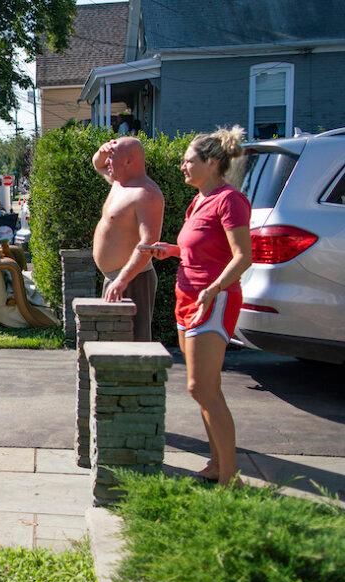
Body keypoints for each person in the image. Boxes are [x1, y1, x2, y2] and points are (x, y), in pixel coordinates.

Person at [139, 126, 252, 485]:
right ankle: (217, 464)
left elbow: (243, 257)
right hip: (187, 299)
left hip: (213, 300)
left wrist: (214, 288)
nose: (182, 166)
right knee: (207, 389)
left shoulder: (230, 200)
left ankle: (230, 478)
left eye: (188, 161)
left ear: (212, 162)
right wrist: (171, 250)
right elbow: (199, 250)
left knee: (201, 388)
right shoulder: (199, 201)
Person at [93, 137, 164, 341]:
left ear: (128, 161)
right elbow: (97, 164)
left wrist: (122, 281)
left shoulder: (146, 194)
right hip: (116, 279)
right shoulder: (119, 182)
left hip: (133, 280)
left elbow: (149, 244)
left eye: (112, 157)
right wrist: (102, 152)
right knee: (113, 345)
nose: (107, 162)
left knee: (134, 346)